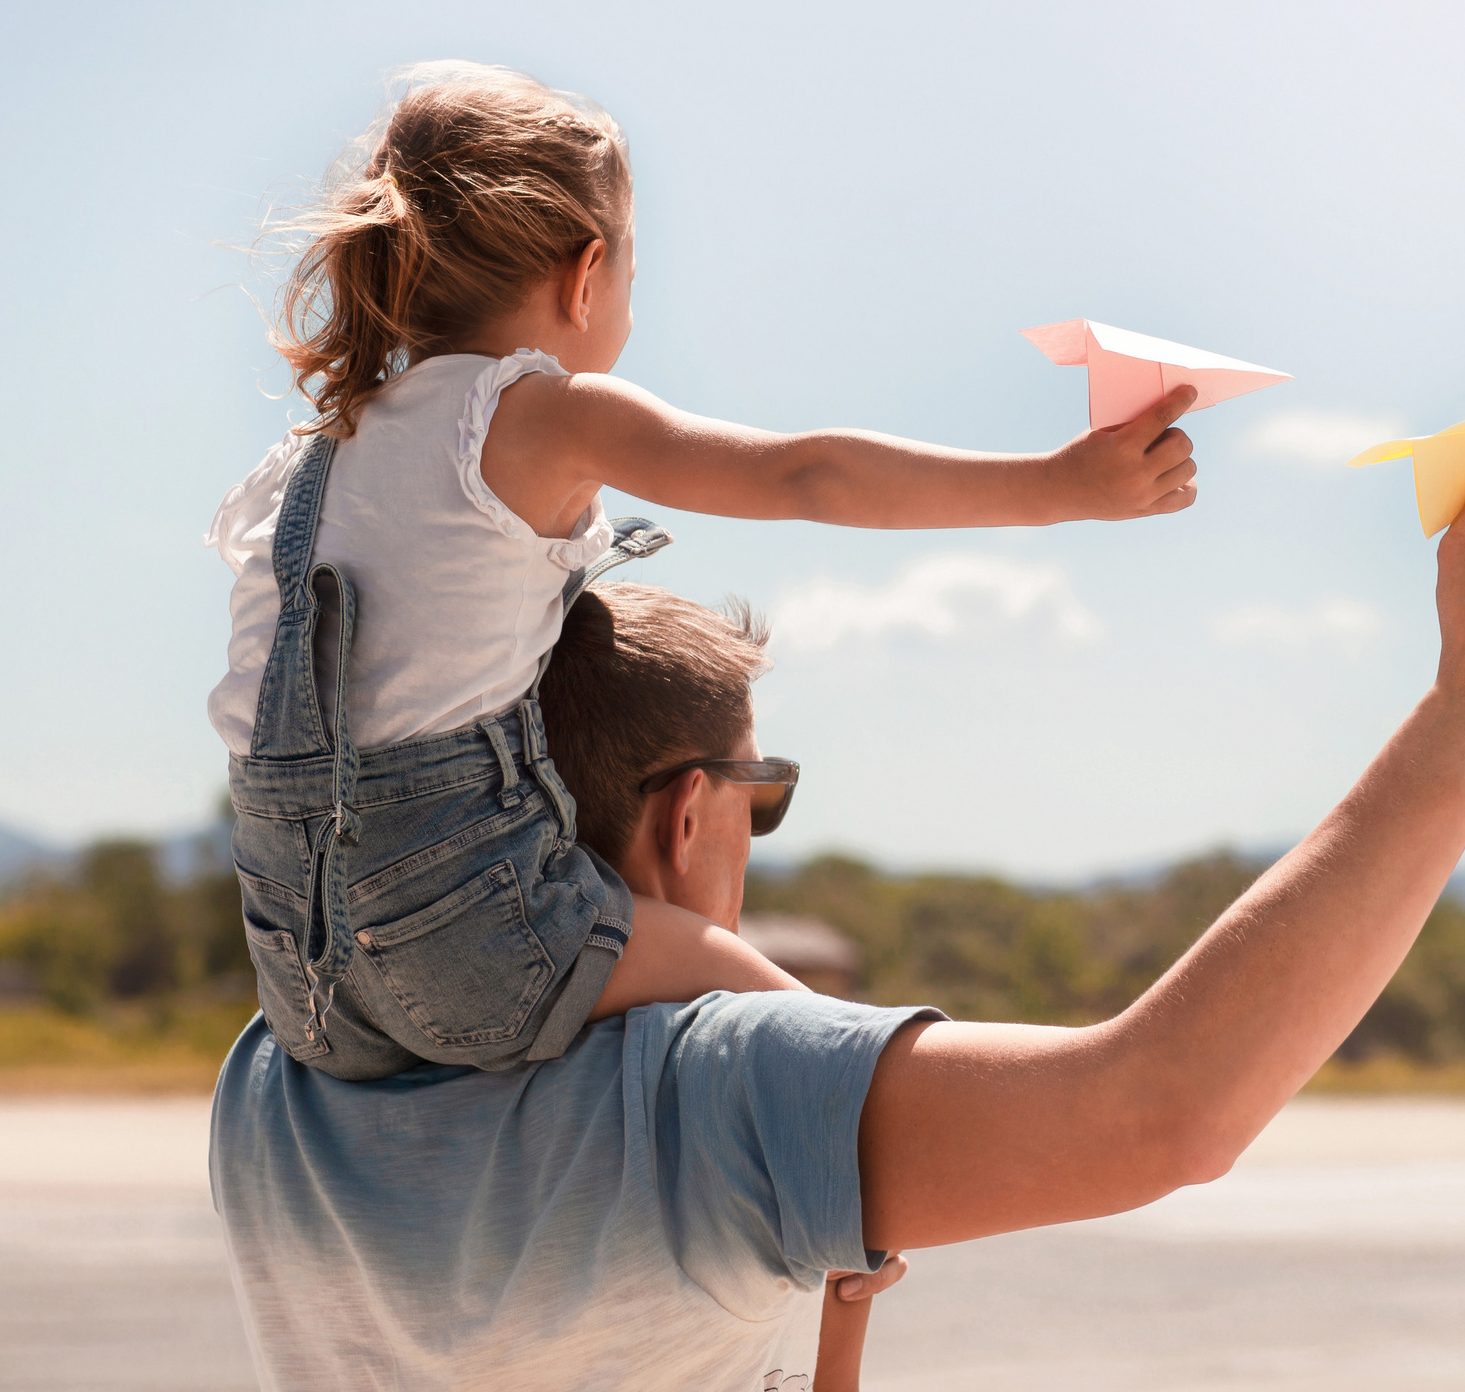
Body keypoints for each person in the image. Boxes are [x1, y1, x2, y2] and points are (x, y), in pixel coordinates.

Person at [210, 448, 1465, 1389]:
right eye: (762, 799)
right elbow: (1165, 1104)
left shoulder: (273, 1083)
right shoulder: (719, 1092)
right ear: (687, 812)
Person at [206, 61, 1201, 1082]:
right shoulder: (539, 412)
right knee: (740, 976)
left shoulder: (319, 453)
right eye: (633, 275)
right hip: (470, 945)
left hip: (300, 979)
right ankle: (866, 1170)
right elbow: (805, 472)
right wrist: (1062, 484)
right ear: (585, 272)